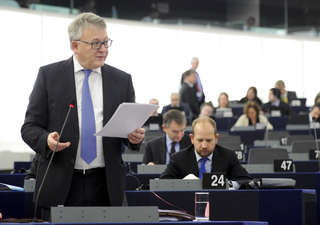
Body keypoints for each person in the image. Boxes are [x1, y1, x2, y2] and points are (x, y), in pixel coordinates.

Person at [20, 12, 145, 220]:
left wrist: (134, 137)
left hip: (105, 185)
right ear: (74, 45)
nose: (103, 49)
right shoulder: (49, 76)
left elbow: (128, 133)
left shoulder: (121, 80)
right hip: (61, 183)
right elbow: (29, 127)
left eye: (106, 42)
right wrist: (46, 140)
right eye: (96, 44)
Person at [160, 116, 250, 183]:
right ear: (192, 138)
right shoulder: (178, 159)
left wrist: (229, 185)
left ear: (216, 138)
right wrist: (182, 183)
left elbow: (245, 180)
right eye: (200, 140)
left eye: (208, 140)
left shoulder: (228, 156)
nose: (204, 145)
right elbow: (163, 182)